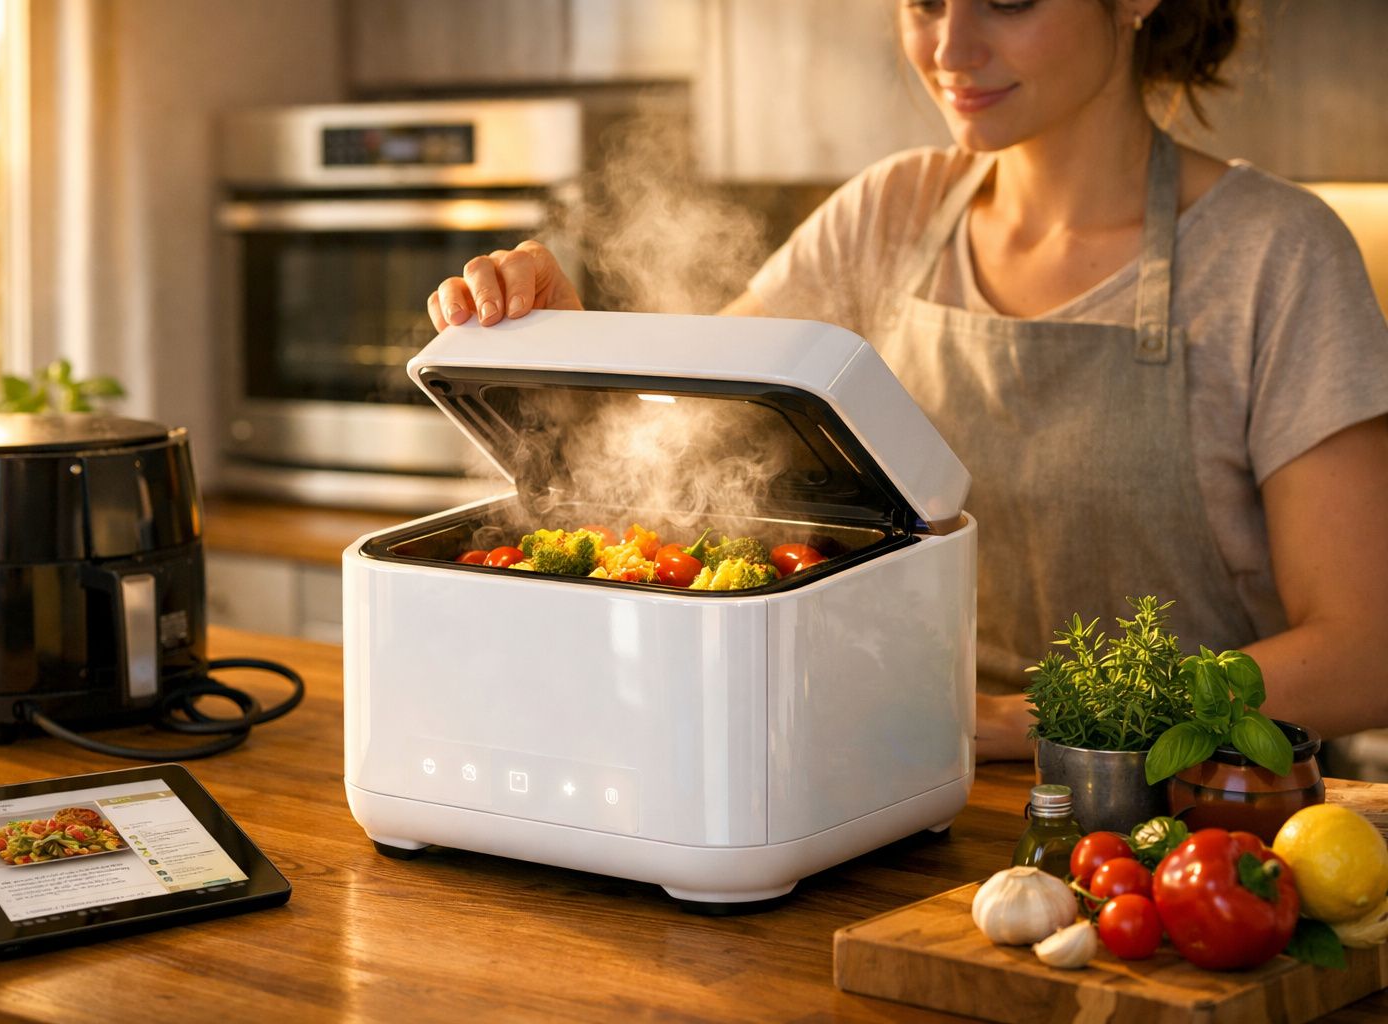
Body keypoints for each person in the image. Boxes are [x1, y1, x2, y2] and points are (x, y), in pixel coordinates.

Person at [425, 0, 1388, 761]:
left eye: (1008, 1)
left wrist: (1030, 721)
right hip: (898, 778)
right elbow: (679, 435)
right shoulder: (888, 214)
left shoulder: (1278, 255)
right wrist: (565, 341)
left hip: (1190, 817)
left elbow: (1363, 651)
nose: (951, 47)